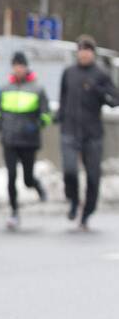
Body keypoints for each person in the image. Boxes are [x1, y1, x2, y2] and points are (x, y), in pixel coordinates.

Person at [56, 35, 117, 231]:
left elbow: (114, 100)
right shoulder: (69, 73)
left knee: (93, 176)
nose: (84, 53)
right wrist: (60, 115)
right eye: (81, 49)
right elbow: (63, 97)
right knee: (70, 170)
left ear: (93, 53)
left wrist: (98, 91)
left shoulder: (101, 74)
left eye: (88, 50)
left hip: (93, 132)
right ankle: (73, 200)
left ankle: (87, 213)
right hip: (70, 130)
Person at [0, 51, 49, 230]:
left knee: (27, 179)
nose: (18, 69)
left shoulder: (37, 88)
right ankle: (14, 211)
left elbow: (46, 114)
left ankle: (36, 185)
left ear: (26, 67)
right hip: (9, 139)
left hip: (28, 140)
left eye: (21, 66)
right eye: (15, 66)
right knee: (11, 176)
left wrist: (38, 124)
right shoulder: (5, 88)